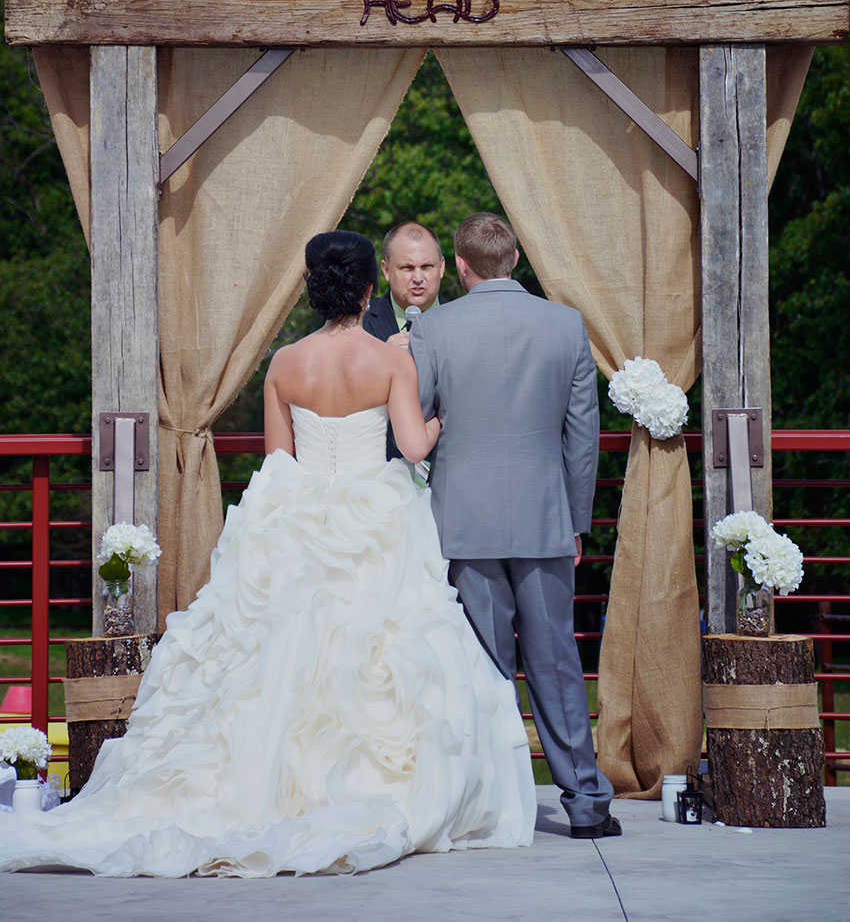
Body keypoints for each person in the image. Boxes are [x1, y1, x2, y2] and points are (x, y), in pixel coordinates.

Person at [0, 231, 534, 878]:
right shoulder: (391, 359)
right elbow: (414, 447)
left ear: (314, 291)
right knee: (376, 653)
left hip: (299, 510)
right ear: (370, 288)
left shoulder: (285, 363)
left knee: (277, 652)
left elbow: (280, 459)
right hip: (376, 510)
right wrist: (443, 421)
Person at [409, 213, 620, 839]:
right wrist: (575, 520)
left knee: (484, 666)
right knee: (555, 660)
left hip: (462, 521)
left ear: (460, 265)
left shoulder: (433, 328)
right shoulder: (566, 324)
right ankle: (586, 802)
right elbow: (582, 436)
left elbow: (418, 420)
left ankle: (495, 804)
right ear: (516, 260)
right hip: (543, 517)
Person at [363, 221, 445, 460]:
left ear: (441, 267)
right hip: (382, 466)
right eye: (407, 268)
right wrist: (377, 362)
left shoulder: (466, 322)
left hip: (449, 468)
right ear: (386, 270)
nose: (418, 278)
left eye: (427, 267)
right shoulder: (360, 323)